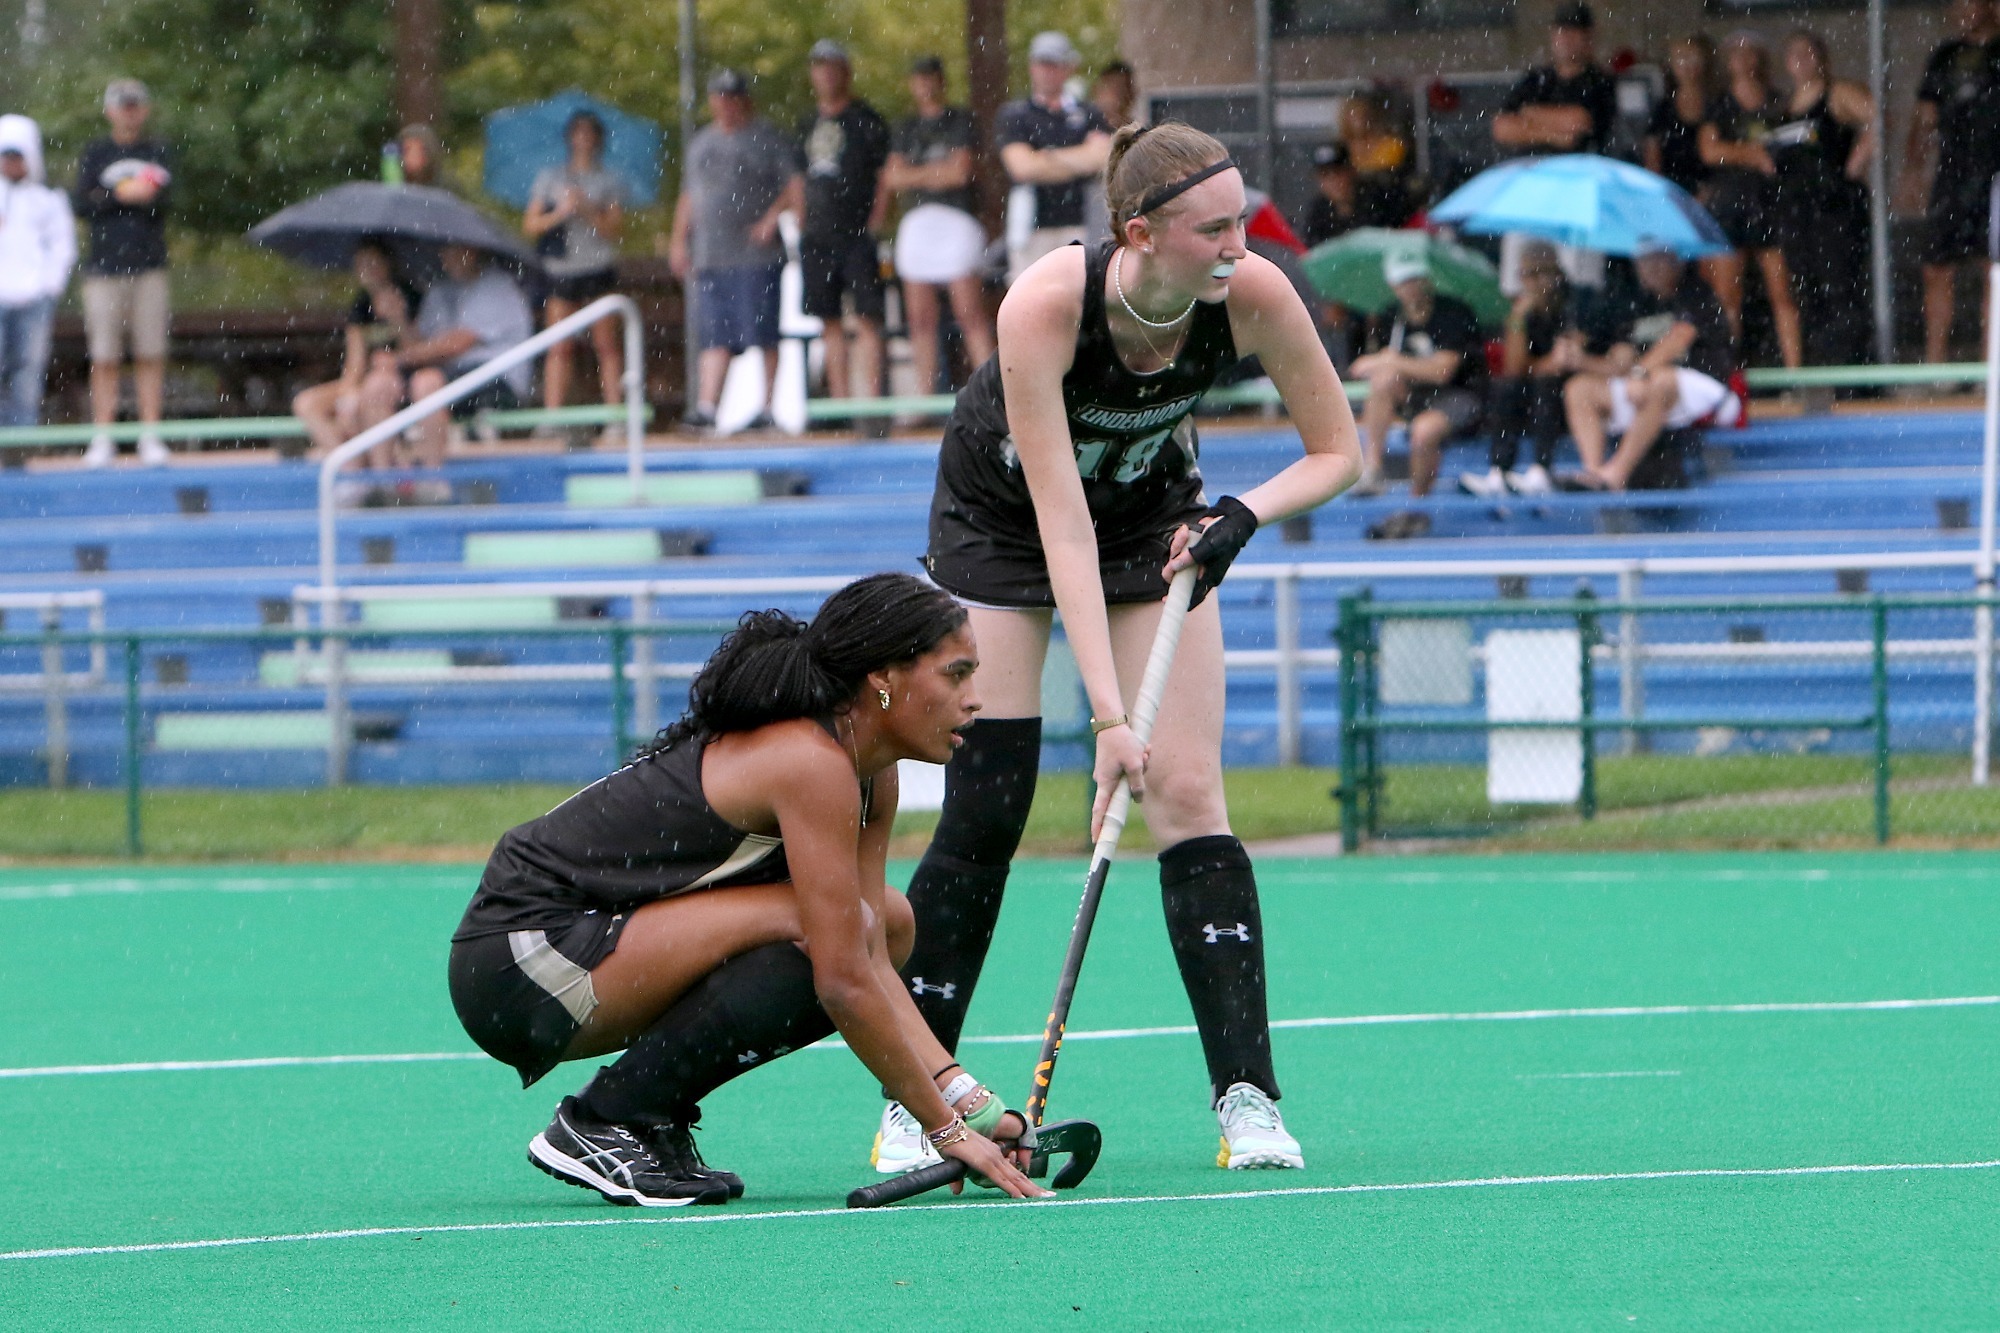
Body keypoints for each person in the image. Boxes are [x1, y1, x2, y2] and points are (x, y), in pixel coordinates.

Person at [891, 122, 1359, 1177]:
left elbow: (1338, 451)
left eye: (1241, 220)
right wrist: (1107, 716)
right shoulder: (1045, 305)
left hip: (1153, 521)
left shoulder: (1251, 295)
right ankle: (920, 1093)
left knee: (1187, 790)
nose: (1239, 244)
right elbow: (1059, 523)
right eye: (1214, 228)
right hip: (1004, 525)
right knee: (988, 804)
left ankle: (1246, 1096)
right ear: (1138, 233)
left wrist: (1243, 512)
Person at [449, 573, 1048, 1207]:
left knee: (885, 919)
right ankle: (608, 1117)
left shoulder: (871, 773)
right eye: (955, 674)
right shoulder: (809, 762)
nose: (975, 699)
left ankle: (633, 1114)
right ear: (885, 678)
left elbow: (869, 954)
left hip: (598, 945)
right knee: (832, 927)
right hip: (516, 963)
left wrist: (971, 1106)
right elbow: (844, 978)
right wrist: (944, 1130)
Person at [669, 69, 802, 433]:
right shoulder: (701, 144)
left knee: (763, 332)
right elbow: (689, 196)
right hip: (711, 255)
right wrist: (678, 240)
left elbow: (793, 185)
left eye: (732, 96)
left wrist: (772, 219)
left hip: (755, 255)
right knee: (713, 333)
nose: (726, 104)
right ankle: (708, 407)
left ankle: (769, 407)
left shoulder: (767, 138)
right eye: (720, 96)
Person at [1562, 241, 1737, 492]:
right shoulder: (1637, 304)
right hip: (1647, 387)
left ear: (1676, 262)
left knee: (1661, 381)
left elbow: (1678, 339)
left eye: (1658, 260)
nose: (1650, 268)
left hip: (1704, 386)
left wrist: (1639, 372)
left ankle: (1617, 473)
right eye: (1643, 261)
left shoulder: (1695, 292)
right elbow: (1621, 361)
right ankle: (1594, 471)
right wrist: (1581, 361)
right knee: (1579, 389)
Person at [1347, 252, 1489, 533]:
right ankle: (1372, 467)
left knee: (1424, 432)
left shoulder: (1453, 313)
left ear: (1427, 280)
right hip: (1415, 396)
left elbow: (1443, 372)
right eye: (1403, 281)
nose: (1410, 286)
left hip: (1462, 396)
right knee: (1383, 380)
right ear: (1393, 284)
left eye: (1414, 279)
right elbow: (1366, 368)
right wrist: (1388, 364)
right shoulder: (1392, 317)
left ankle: (1416, 507)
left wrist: (1391, 360)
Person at [356, 244, 533, 468]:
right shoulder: (440, 290)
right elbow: (421, 346)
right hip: (449, 378)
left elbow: (455, 345)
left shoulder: (498, 288)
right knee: (378, 385)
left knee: (426, 383)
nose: (448, 257)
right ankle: (384, 482)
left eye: (455, 250)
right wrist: (398, 319)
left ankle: (435, 480)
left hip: (497, 380)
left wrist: (398, 359)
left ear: (474, 251)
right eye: (445, 251)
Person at [74, 79, 172, 469]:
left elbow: (162, 196)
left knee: (150, 352)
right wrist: (120, 196)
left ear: (144, 110)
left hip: (150, 267)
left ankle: (150, 432)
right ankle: (104, 434)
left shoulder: (158, 150)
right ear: (110, 111)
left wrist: (114, 197)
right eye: (122, 105)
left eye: (135, 105)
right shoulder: (95, 153)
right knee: (104, 355)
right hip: (103, 268)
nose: (129, 111)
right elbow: (83, 201)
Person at [885, 56, 995, 394]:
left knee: (969, 312)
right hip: (917, 223)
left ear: (941, 81)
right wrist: (936, 174)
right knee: (919, 318)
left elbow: (960, 172)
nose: (925, 85)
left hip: (956, 221)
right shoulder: (905, 127)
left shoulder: (960, 120)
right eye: (919, 78)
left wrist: (917, 176)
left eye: (930, 78)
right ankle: (924, 395)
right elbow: (892, 176)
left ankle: (993, 394)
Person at [1491, 4, 1617, 292]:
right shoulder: (1537, 79)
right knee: (1519, 271)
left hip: (1578, 183)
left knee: (1577, 273)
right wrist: (1553, 132)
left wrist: (1531, 114)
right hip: (1531, 180)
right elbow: (1501, 127)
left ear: (1589, 38)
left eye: (1575, 33)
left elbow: (1578, 123)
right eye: (1562, 33)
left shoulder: (1599, 81)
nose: (1567, 40)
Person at [1770, 29, 1876, 368]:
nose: (1801, 60)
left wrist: (1857, 161)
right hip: (1798, 212)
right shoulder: (1785, 107)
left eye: (1808, 53)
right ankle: (1822, 372)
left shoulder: (1837, 93)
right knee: (1808, 292)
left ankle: (1853, 375)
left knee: (1841, 289)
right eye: (1794, 54)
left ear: (1822, 58)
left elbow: (1879, 117)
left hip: (1835, 207)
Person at [1903, 0, 2000, 365]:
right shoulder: (1945, 56)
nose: (1962, 10)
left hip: (1995, 177)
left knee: (1994, 270)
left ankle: (1991, 365)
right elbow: (1924, 117)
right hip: (1954, 175)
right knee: (1937, 266)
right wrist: (1913, 170)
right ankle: (1936, 364)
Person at [1699, 33, 1804, 368]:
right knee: (1728, 297)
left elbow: (1791, 144)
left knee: (1783, 296)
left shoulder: (1777, 102)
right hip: (1730, 204)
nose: (1743, 60)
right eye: (1735, 54)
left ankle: (1794, 375)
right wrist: (1751, 154)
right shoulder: (1719, 104)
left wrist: (1750, 155)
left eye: (1749, 53)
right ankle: (1728, 374)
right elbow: (1709, 151)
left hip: (1770, 203)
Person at [798, 41, 892, 407]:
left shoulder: (866, 120)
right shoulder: (807, 123)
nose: (825, 74)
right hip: (817, 236)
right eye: (819, 67)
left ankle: (868, 403)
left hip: (857, 234)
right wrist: (801, 219)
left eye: (832, 66)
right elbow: (797, 178)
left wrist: (876, 221)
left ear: (845, 72)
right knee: (828, 320)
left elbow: (885, 174)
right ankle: (839, 406)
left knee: (868, 317)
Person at [524, 110, 629, 431]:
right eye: (577, 133)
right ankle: (552, 418)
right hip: (562, 268)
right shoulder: (550, 177)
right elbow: (531, 225)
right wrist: (562, 212)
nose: (583, 140)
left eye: (589, 134)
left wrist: (587, 210)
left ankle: (615, 416)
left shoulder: (609, 180)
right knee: (559, 346)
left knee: (606, 345)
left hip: (597, 267)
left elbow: (613, 229)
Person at [996, 32, 1114, 282]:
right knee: (1029, 296)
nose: (1047, 71)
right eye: (1041, 63)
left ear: (1068, 68)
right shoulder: (1016, 114)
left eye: (1054, 64)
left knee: (1083, 295)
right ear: (1031, 67)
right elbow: (1022, 168)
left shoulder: (1088, 112)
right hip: (1031, 228)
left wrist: (1047, 156)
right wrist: (1077, 160)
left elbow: (1102, 158)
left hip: (1081, 223)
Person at [291, 241, 418, 464]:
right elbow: (355, 361)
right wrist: (348, 394)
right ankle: (351, 471)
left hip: (399, 381)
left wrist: (398, 319)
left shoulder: (412, 296)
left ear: (388, 264)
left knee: (374, 390)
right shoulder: (360, 305)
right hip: (366, 382)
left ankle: (380, 476)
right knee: (306, 403)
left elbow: (417, 350)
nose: (366, 270)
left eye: (372, 263)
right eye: (360, 264)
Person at [1461, 241, 1570, 499]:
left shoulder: (1572, 304)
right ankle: (1500, 471)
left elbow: (1563, 362)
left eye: (1538, 273)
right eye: (1525, 274)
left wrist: (1535, 367)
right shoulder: (1523, 312)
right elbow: (1513, 369)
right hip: (1533, 391)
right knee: (1504, 387)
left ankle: (1542, 469)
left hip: (1565, 392)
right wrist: (1518, 321)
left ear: (1556, 274)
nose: (1531, 282)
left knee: (1546, 383)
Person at [0, 115, 74, 431]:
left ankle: (20, 444)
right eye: (6, 156)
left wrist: (49, 287)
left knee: (28, 373)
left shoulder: (49, 200)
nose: (12, 163)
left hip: (34, 301)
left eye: (18, 156)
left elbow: (63, 247)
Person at [1644, 34, 1716, 201]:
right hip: (1671, 193)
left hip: (1713, 193)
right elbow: (1652, 157)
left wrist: (1707, 194)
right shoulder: (1663, 108)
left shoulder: (1717, 105)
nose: (1687, 65)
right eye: (1681, 59)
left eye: (1693, 58)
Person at [1338, 89, 1417, 230]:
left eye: (1362, 115)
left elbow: (1389, 169)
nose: (1358, 121)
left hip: (1385, 198)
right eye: (1353, 115)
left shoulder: (1391, 144)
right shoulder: (1342, 147)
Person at [1299, 141, 1360, 247]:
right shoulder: (1317, 212)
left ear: (1351, 172)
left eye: (1337, 173)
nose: (1333, 181)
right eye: (1325, 175)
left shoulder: (1376, 204)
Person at [1092, 60, 1138, 129]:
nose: (1121, 95)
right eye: (1115, 88)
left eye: (1125, 88)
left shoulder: (1135, 131)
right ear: (1097, 90)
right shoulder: (1082, 126)